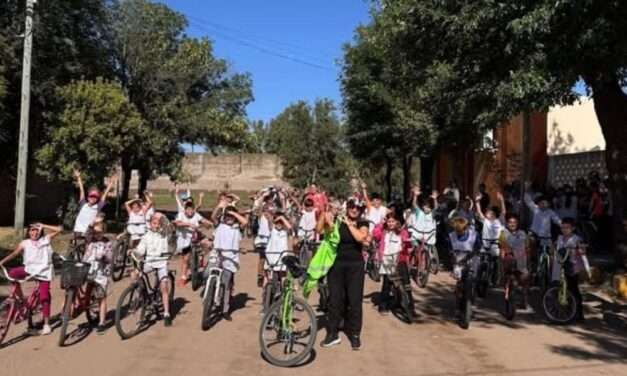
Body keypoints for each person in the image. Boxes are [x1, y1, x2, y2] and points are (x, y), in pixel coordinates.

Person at [318, 199, 369, 350]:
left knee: (355, 301)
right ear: (347, 208)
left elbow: (361, 237)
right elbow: (320, 230)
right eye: (352, 207)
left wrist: (349, 224)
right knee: (335, 300)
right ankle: (333, 334)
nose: (355, 210)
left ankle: (355, 335)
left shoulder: (363, 222)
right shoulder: (337, 222)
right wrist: (324, 215)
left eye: (357, 208)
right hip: (336, 266)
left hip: (355, 267)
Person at [0, 223, 62, 335]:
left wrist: (43, 225)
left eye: (37, 230)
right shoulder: (25, 243)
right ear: (28, 232)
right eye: (32, 230)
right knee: (13, 273)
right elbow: (15, 253)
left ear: (40, 231)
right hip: (29, 269)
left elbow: (59, 230)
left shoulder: (45, 240)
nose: (34, 232)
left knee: (44, 296)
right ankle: (19, 297)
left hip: (43, 272)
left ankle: (47, 325)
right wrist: (2, 261)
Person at [133, 212, 173, 326]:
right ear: (150, 224)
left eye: (158, 224)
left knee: (163, 287)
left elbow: (170, 227)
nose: (156, 225)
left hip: (161, 263)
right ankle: (139, 293)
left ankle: (166, 313)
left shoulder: (164, 234)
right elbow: (140, 249)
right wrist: (134, 252)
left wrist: (161, 216)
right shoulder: (146, 236)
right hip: (149, 262)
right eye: (154, 223)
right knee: (135, 274)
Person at [372, 212, 414, 316]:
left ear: (397, 222)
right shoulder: (383, 231)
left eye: (393, 221)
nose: (391, 223)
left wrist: (408, 242)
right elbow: (375, 235)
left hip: (400, 260)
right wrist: (381, 224)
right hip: (387, 261)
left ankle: (410, 307)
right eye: (389, 221)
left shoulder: (402, 232)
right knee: (387, 284)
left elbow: (407, 243)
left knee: (406, 284)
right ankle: (383, 306)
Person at [212, 205, 248, 321]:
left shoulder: (237, 227)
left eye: (231, 216)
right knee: (208, 275)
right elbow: (213, 216)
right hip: (217, 256)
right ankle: (211, 298)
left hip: (230, 260)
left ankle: (225, 310)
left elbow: (245, 222)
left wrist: (233, 213)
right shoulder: (220, 225)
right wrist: (219, 208)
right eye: (227, 216)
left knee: (226, 284)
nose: (229, 218)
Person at [553, 218, 587, 321]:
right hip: (560, 265)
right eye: (563, 228)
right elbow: (554, 247)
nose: (564, 230)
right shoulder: (559, 238)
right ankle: (566, 311)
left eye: (567, 228)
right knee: (559, 286)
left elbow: (582, 250)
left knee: (573, 288)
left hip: (573, 266)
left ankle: (579, 313)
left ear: (573, 228)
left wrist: (579, 250)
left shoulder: (577, 239)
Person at [82, 223, 113, 334]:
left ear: (104, 232)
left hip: (101, 272)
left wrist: (104, 256)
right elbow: (87, 233)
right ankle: (86, 308)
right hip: (89, 270)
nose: (97, 234)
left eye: (99, 232)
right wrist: (91, 226)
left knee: (101, 297)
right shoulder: (90, 240)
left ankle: (102, 322)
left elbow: (110, 257)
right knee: (86, 292)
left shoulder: (107, 243)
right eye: (95, 232)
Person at [174, 201, 212, 286]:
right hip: (184, 240)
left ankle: (201, 257)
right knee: (186, 259)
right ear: (185, 210)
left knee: (209, 244)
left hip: (195, 238)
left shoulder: (196, 215)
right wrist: (189, 224)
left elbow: (203, 220)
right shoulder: (181, 214)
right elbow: (177, 223)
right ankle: (183, 277)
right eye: (188, 209)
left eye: (192, 209)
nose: (190, 211)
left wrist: (209, 223)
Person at [72, 169, 115, 237]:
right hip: (78, 230)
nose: (93, 198)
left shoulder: (97, 206)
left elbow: (105, 195)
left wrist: (111, 184)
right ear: (88, 197)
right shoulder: (83, 204)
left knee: (99, 223)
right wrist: (78, 177)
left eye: (95, 197)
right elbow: (81, 190)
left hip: (88, 231)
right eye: (91, 196)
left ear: (97, 199)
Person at [475, 191, 506, 284]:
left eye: (491, 213)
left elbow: (504, 212)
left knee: (496, 259)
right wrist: (477, 202)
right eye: (488, 212)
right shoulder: (485, 221)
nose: (489, 214)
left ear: (495, 214)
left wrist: (502, 200)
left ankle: (495, 275)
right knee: (481, 260)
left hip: (495, 244)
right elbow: (479, 211)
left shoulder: (499, 221)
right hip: (485, 243)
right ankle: (479, 275)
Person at [500, 214, 530, 307]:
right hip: (509, 259)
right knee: (506, 278)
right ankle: (507, 292)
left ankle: (524, 299)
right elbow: (502, 247)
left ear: (517, 224)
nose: (512, 224)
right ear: (507, 223)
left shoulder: (522, 233)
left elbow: (527, 247)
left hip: (521, 260)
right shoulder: (503, 233)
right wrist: (502, 259)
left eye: (514, 222)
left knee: (524, 278)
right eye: (510, 222)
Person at [262, 212, 292, 292]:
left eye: (281, 223)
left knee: (282, 275)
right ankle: (265, 293)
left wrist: (282, 218)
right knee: (267, 275)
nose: (279, 224)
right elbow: (270, 222)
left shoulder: (285, 232)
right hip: (271, 257)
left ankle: (283, 292)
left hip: (281, 257)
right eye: (277, 222)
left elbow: (290, 227)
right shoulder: (272, 230)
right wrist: (276, 220)